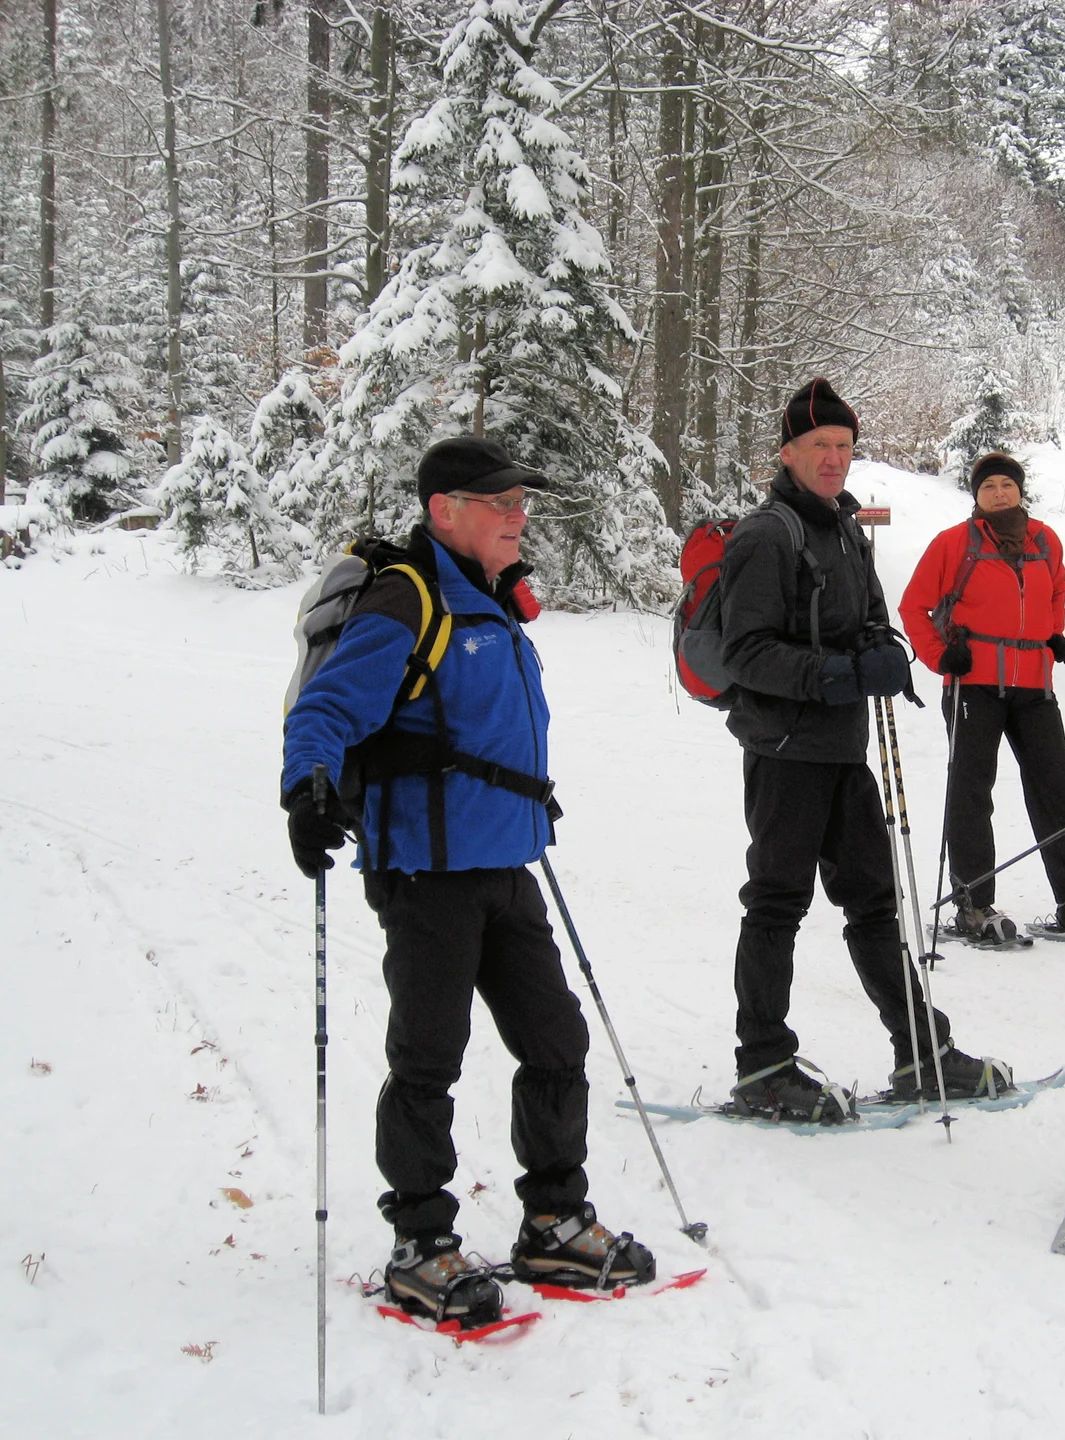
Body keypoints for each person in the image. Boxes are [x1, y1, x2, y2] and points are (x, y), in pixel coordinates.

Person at [281, 434, 653, 1327]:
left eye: (522, 502)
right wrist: (307, 786)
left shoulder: (488, 599)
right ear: (446, 510)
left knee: (555, 1041)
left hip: (504, 864)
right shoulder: (406, 599)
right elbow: (328, 707)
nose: (520, 517)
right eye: (502, 503)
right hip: (426, 872)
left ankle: (555, 1222)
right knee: (428, 1057)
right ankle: (421, 1244)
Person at [720, 377, 1010, 1122]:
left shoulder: (847, 530)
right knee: (777, 903)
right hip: (785, 752)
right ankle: (762, 1067)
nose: (833, 458)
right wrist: (840, 675)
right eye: (819, 445)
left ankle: (921, 1051)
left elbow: (874, 617)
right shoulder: (766, 535)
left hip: (844, 751)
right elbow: (745, 652)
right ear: (788, 452)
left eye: (844, 446)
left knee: (875, 902)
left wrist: (884, 650)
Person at [899, 452, 1065, 945]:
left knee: (1055, 786)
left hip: (1034, 684)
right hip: (973, 685)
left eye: (1006, 485)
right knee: (972, 791)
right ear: (976, 495)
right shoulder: (954, 543)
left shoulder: (1045, 541)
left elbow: (1056, 592)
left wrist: (1052, 635)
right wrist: (939, 656)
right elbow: (913, 607)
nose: (999, 493)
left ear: (1019, 490)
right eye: (988, 486)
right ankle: (973, 904)